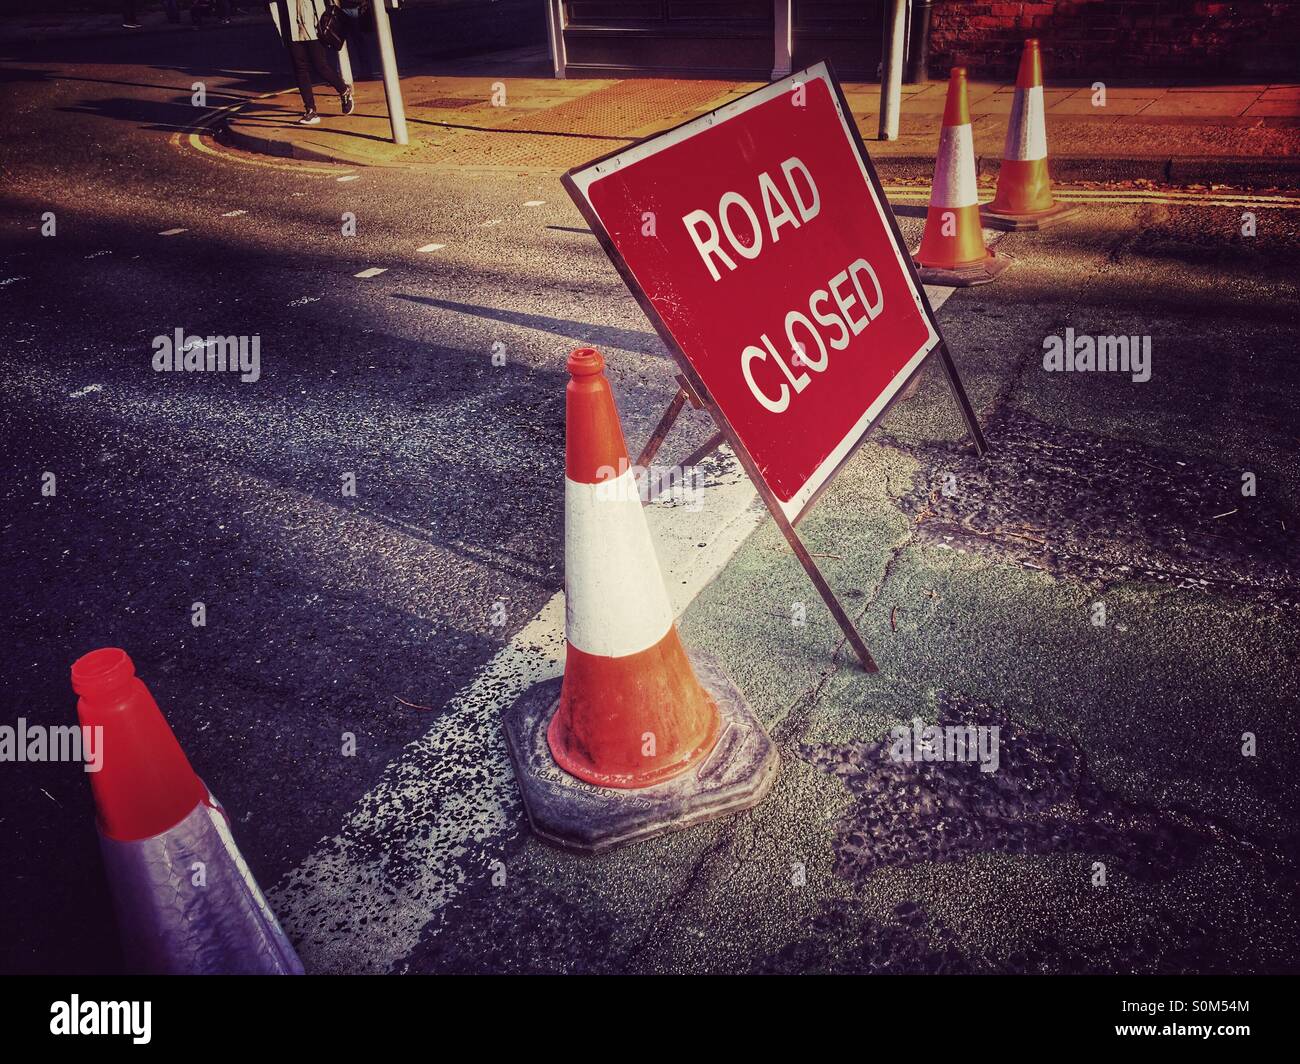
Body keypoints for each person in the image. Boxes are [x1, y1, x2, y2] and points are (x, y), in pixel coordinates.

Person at [267, 0, 355, 125]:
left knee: (320, 66)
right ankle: (310, 110)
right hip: (291, 26)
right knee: (300, 69)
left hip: (313, 24)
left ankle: (344, 90)